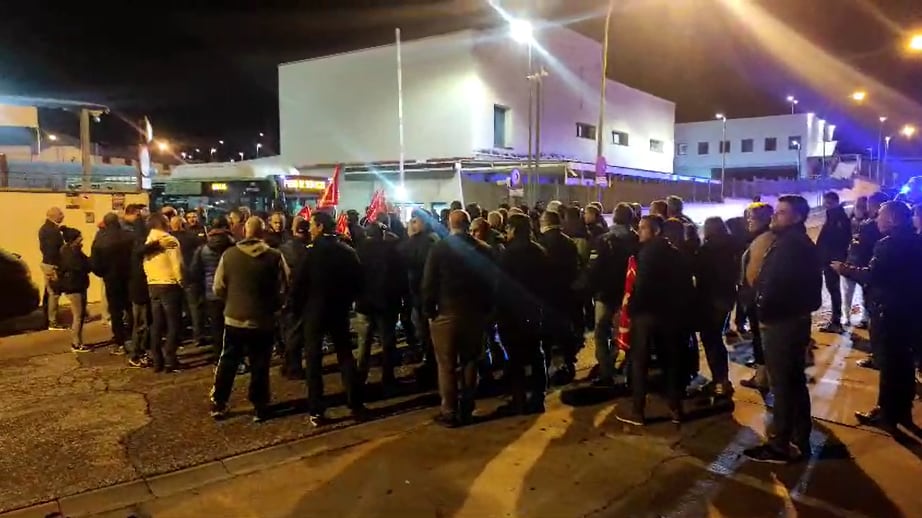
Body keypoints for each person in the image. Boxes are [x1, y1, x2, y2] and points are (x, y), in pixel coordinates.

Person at [744, 195, 821, 464]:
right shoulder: (792, 242)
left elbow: (779, 287)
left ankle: (780, 445)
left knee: (783, 385)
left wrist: (764, 308)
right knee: (793, 381)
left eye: (782, 212)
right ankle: (800, 436)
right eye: (776, 211)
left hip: (782, 324)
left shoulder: (792, 246)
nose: (775, 216)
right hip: (789, 321)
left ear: (798, 217)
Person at [833, 201, 922, 433]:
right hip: (911, 311)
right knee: (904, 365)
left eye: (881, 215)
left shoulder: (888, 245)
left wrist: (845, 269)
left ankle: (886, 413)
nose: (877, 219)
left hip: (889, 312)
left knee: (890, 365)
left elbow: (873, 276)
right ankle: (902, 411)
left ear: (892, 219)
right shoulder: (916, 240)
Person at [210, 217, 289, 422]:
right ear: (263, 232)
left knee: (228, 361)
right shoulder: (274, 256)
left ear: (244, 231)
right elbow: (285, 286)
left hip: (235, 318)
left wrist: (232, 300)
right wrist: (276, 306)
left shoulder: (229, 255)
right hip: (263, 319)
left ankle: (219, 402)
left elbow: (218, 287)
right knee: (260, 364)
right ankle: (260, 406)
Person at [616, 215, 694, 426]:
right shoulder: (677, 254)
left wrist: (632, 309)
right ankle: (675, 409)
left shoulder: (648, 253)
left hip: (647, 316)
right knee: (670, 362)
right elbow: (686, 288)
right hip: (670, 317)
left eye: (643, 229)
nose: (639, 232)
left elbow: (642, 286)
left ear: (656, 231)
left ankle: (637, 411)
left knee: (640, 362)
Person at [289, 211, 365, 426]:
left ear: (320, 227)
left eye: (312, 225)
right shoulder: (346, 251)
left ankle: (316, 409)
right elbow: (359, 281)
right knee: (345, 355)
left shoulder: (310, 253)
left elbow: (298, 284)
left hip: (314, 312)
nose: (309, 229)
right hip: (339, 310)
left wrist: (296, 310)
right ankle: (355, 403)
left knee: (313, 361)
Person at [422, 209, 496, 427]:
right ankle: (467, 407)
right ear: (467, 224)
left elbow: (428, 284)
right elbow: (491, 282)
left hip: (446, 313)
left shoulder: (439, 249)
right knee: (470, 361)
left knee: (446, 364)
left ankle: (449, 410)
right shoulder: (484, 249)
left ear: (449, 224)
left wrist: (429, 311)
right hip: (474, 314)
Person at [495, 213, 552, 415]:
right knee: (537, 355)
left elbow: (502, 286)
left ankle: (519, 399)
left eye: (508, 228)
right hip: (534, 311)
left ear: (514, 230)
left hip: (512, 313)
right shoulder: (539, 251)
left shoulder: (508, 254)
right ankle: (538, 398)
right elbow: (547, 284)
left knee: (515, 358)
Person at [587, 203, 638, 386]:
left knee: (601, 333)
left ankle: (605, 370)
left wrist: (590, 288)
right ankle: (618, 364)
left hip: (605, 294)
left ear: (614, 217)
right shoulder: (636, 240)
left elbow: (594, 269)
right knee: (621, 333)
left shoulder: (603, 239)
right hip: (626, 295)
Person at [355, 222, 406, 390]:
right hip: (387, 303)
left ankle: (360, 378)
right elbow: (400, 276)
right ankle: (388, 377)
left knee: (364, 342)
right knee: (387, 342)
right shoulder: (392, 251)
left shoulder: (359, 251)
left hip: (365, 303)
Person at [695, 217, 739, 397]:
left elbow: (701, 275)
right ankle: (722, 380)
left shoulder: (707, 250)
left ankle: (720, 381)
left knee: (711, 339)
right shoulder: (732, 246)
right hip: (727, 297)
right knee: (716, 338)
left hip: (711, 299)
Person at [538, 210, 581, 384]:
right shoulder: (569, 242)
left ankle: (547, 366)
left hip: (547, 295)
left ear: (545, 223)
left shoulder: (541, 243)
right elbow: (575, 267)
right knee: (565, 331)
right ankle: (569, 363)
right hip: (566, 293)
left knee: (546, 334)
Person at [189, 216, 236, 362]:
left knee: (216, 327)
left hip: (212, 292)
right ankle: (232, 355)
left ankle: (218, 355)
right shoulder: (233, 246)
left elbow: (194, 272)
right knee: (232, 326)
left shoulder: (202, 249)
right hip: (231, 292)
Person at [401, 209, 440, 382]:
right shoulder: (435, 239)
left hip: (421, 294)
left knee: (425, 331)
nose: (412, 223)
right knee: (426, 331)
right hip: (427, 294)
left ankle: (430, 365)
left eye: (415, 221)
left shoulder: (421, 243)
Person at [738, 203, 774, 391]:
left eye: (751, 217)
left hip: (758, 299)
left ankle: (763, 378)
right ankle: (763, 375)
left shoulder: (764, 238)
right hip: (757, 298)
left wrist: (751, 294)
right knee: (759, 339)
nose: (748, 221)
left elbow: (755, 272)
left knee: (761, 339)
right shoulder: (760, 237)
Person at [144, 214, 185, 373]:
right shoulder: (170, 241)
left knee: (157, 324)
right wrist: (181, 282)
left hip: (153, 284)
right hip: (169, 284)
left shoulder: (149, 241)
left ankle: (157, 360)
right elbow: (177, 265)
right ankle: (170, 360)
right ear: (163, 224)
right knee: (173, 324)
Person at [90, 213, 134, 354]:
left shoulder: (100, 239)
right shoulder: (129, 236)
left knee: (115, 311)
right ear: (118, 222)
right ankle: (133, 335)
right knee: (130, 307)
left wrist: (103, 273)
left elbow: (95, 263)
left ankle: (120, 339)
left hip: (111, 279)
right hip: (129, 277)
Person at [847, 191, 888, 339]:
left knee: (876, 315)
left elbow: (862, 251)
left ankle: (876, 353)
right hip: (884, 280)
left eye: (870, 205)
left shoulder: (871, 226)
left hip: (872, 274)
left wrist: (850, 268)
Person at [277, 217, 310, 379]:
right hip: (301, 295)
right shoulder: (308, 249)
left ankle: (289, 363)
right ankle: (293, 367)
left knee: (289, 331)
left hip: (286, 295)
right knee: (296, 333)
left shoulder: (283, 248)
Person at [816, 192, 852, 333]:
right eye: (826, 203)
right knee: (833, 290)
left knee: (834, 290)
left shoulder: (839, 218)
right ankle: (835, 320)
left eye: (829, 203)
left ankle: (836, 322)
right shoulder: (833, 216)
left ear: (836, 202)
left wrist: (832, 258)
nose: (826, 206)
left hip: (832, 260)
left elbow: (839, 241)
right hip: (829, 259)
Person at [170, 215, 206, 346]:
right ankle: (198, 336)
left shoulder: (168, 239)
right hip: (190, 275)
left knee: (175, 309)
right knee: (194, 307)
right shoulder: (191, 238)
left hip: (173, 277)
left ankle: (178, 336)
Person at [57, 228, 91, 352]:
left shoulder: (69, 250)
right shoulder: (71, 253)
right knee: (78, 315)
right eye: (79, 236)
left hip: (77, 286)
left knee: (80, 315)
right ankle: (76, 343)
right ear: (74, 239)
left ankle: (78, 341)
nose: (81, 238)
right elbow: (82, 266)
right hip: (74, 287)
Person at [39, 207, 67, 330]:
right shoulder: (52, 231)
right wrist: (56, 267)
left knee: (49, 292)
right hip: (52, 265)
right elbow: (52, 250)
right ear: (54, 216)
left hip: (47, 263)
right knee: (54, 294)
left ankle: (48, 319)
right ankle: (52, 322)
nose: (63, 216)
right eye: (60, 214)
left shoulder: (45, 228)